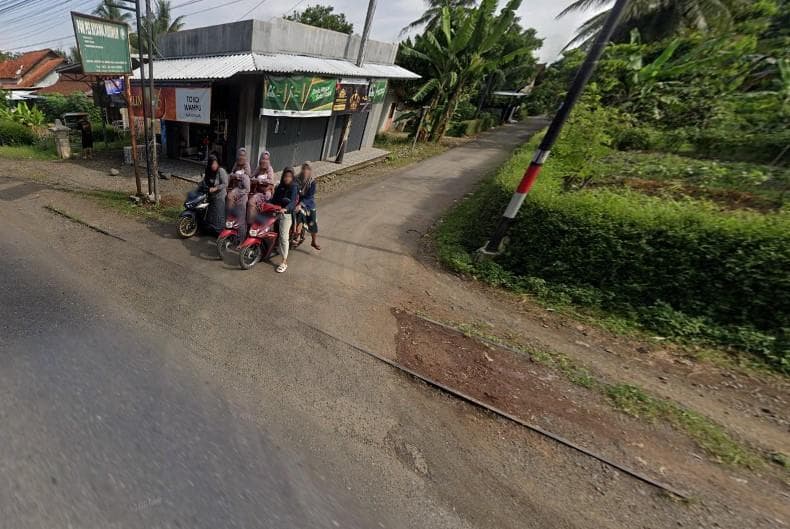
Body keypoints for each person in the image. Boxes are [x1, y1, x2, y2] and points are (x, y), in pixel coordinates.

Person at [270, 167, 298, 273]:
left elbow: (293, 202)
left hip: (287, 213)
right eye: (286, 176)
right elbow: (274, 199)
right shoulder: (280, 187)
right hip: (277, 211)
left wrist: (285, 209)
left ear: (292, 178)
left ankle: (284, 261)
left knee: (283, 237)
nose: (287, 178)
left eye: (290, 177)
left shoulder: (294, 187)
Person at [293, 161, 320, 251]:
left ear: (311, 171)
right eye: (304, 168)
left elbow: (310, 196)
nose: (305, 171)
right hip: (297, 201)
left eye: (308, 169)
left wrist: (301, 204)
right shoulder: (297, 178)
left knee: (312, 221)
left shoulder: (312, 182)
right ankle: (297, 235)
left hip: (308, 203)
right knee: (299, 213)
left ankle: (314, 241)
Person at [199, 154, 228, 232]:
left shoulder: (221, 171)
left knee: (218, 214)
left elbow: (225, 183)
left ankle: (219, 231)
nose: (213, 165)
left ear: (218, 163)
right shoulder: (208, 171)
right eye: (212, 163)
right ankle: (210, 229)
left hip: (220, 196)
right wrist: (200, 185)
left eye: (215, 163)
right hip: (211, 195)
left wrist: (216, 188)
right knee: (210, 213)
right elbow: (205, 181)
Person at [226, 150, 251, 238]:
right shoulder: (236, 163)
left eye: (243, 156)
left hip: (243, 192)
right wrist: (232, 176)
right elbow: (231, 174)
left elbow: (248, 177)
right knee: (230, 211)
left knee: (241, 215)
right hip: (234, 190)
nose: (241, 157)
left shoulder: (247, 165)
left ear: (246, 157)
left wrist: (238, 176)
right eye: (239, 155)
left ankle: (241, 237)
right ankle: (230, 231)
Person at [246, 151, 275, 228]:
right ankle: (249, 221)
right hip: (257, 191)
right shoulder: (259, 168)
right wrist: (253, 179)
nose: (264, 161)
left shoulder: (270, 169)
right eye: (263, 159)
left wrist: (260, 181)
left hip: (266, 192)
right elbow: (251, 176)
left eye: (266, 159)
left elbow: (271, 181)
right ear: (260, 159)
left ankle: (251, 224)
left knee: (251, 202)